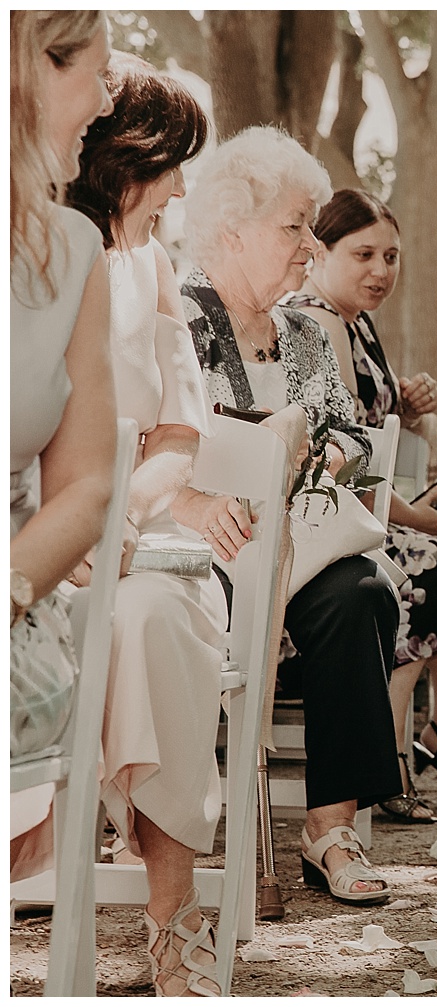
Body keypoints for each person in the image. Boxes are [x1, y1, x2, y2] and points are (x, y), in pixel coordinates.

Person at [173, 126, 401, 904]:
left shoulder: (304, 333)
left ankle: (327, 830)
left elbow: (351, 438)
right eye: (294, 225)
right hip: (208, 552)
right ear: (231, 231)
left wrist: (327, 458)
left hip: (298, 554)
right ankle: (181, 835)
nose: (311, 243)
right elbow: (142, 447)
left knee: (362, 592)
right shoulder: (178, 325)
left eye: (310, 225)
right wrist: (201, 499)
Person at [61, 55, 227, 996]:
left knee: (148, 620)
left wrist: (115, 518)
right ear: (128, 161)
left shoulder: (153, 262)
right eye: (174, 163)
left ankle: (173, 918)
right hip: (31, 542)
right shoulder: (34, 251)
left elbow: (177, 432)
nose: (180, 185)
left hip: (132, 540)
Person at [287, 189, 437, 821]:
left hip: (374, 507)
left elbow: (381, 435)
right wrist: (416, 517)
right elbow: (338, 459)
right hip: (336, 521)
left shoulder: (353, 319)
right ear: (319, 251)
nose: (381, 270)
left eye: (391, 256)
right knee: (432, 561)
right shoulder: (312, 323)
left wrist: (409, 409)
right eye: (363, 254)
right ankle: (391, 752)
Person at [10, 9, 116, 865]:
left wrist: (9, 590)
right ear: (31, 65)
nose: (107, 101)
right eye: (97, 74)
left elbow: (86, 485)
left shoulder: (73, 250)